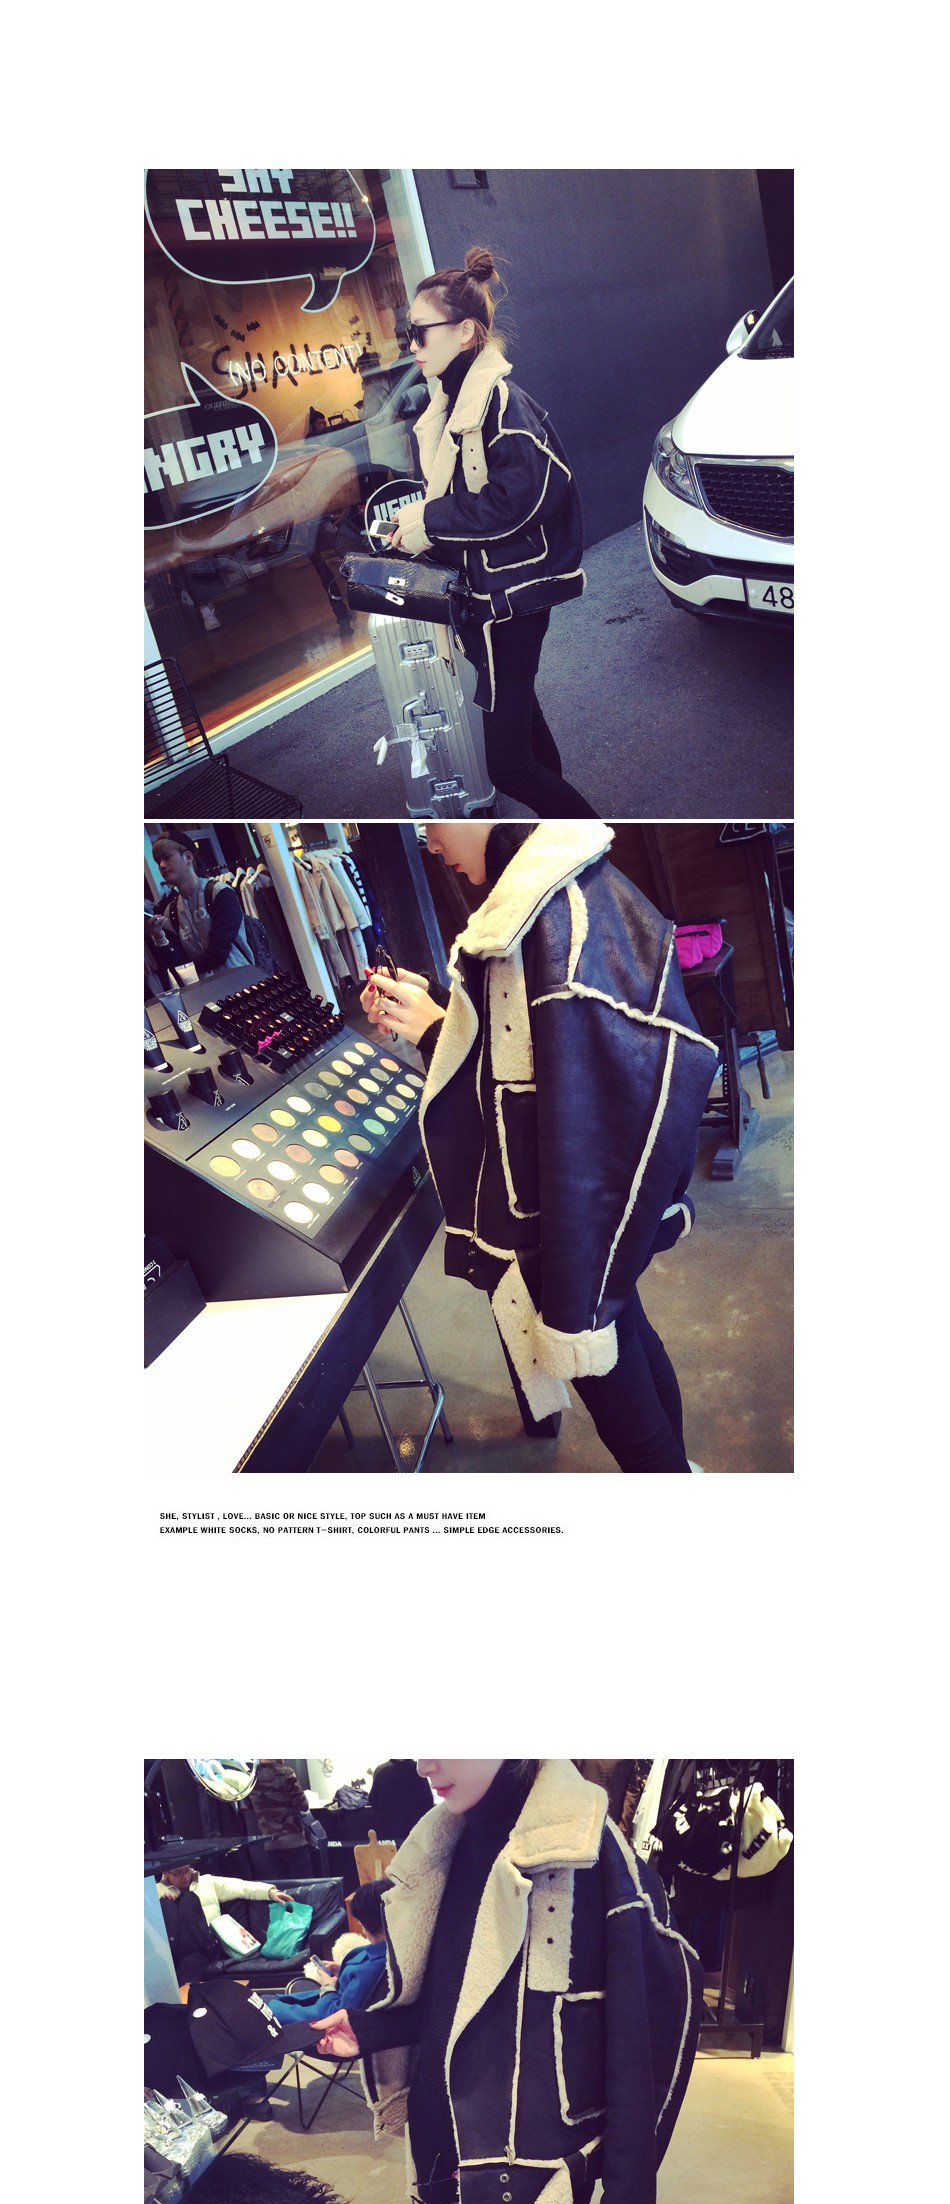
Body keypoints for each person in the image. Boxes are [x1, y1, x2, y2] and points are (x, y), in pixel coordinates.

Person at [316, 1759, 701, 2204]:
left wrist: (626, 2187)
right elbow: (452, 1999)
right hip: (448, 2134)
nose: (424, 1761)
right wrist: (367, 2028)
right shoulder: (445, 1842)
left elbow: (646, 2026)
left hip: (537, 2156)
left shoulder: (584, 1847)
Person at [361, 824, 719, 1473]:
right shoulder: (566, 884)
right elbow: (533, 1064)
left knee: (618, 1396)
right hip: (589, 1216)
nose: (427, 841)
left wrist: (436, 1033)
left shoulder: (541, 917)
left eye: (430, 823)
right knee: (629, 1339)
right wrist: (440, 1019)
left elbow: (558, 1102)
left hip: (563, 1225)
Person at [384, 248, 596, 819]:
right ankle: (566, 830)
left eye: (420, 331)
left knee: (509, 766)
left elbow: (518, 500)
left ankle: (591, 838)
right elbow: (469, 496)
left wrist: (429, 521)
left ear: (465, 332)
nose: (411, 344)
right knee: (524, 723)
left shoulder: (498, 402)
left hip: (511, 599)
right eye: (408, 332)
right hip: (491, 595)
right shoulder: (456, 401)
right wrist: (419, 524)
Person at [261, 1880, 390, 2027]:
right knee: (265, 2000)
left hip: (322, 2013)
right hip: (327, 1998)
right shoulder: (384, 1953)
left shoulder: (373, 1970)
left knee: (261, 2006)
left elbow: (336, 2015)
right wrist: (343, 1971)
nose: (361, 1928)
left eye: (360, 1923)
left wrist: (328, 1985)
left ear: (368, 1924)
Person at [157, 1862, 292, 1986]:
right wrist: (160, 1903)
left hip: (206, 1946)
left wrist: (271, 1892)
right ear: (166, 1873)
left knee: (191, 1962)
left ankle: (183, 1999)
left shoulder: (207, 1882)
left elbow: (240, 1886)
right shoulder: (155, 1891)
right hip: (173, 1948)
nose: (185, 1876)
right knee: (170, 1907)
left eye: (187, 1870)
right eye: (178, 1873)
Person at [149, 835, 248, 975]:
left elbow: (219, 951)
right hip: (206, 987)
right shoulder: (171, 912)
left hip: (242, 979)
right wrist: (159, 937)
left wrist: (188, 972)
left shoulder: (219, 893)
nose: (162, 865)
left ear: (188, 857)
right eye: (158, 861)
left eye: (166, 857)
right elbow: (176, 965)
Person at [252, 1758, 312, 1880]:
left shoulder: (252, 1778)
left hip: (270, 1844)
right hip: (294, 1842)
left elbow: (247, 1806)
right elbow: (303, 1805)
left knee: (283, 1886)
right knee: (305, 1885)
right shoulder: (285, 1773)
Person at [366, 1757, 433, 1846]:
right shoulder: (418, 1771)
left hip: (389, 1834)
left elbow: (373, 1801)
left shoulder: (382, 1771)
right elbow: (428, 1802)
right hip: (415, 1834)